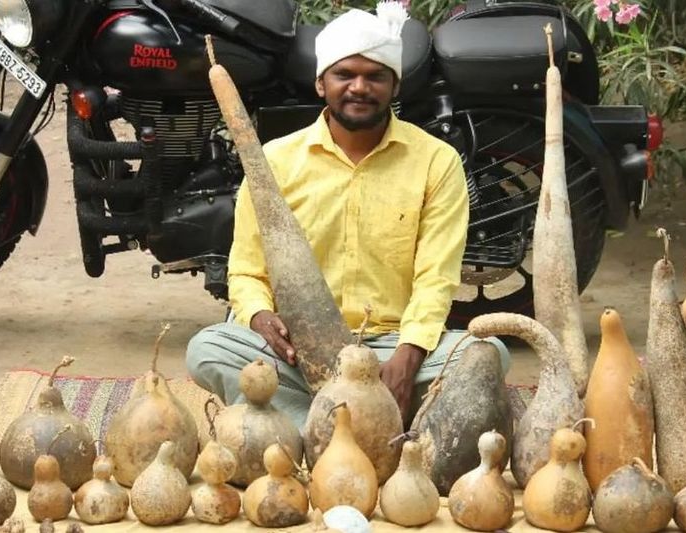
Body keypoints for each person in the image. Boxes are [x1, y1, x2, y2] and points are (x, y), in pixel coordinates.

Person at [186, 2, 510, 429]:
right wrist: (262, 318)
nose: (360, 87)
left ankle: (312, 427)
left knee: (487, 355)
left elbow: (437, 278)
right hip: (299, 353)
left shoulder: (436, 162)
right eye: (345, 75)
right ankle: (349, 427)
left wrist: (408, 357)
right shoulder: (275, 162)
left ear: (394, 86)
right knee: (208, 349)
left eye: (375, 76)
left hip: (391, 346)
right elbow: (246, 272)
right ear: (321, 84)